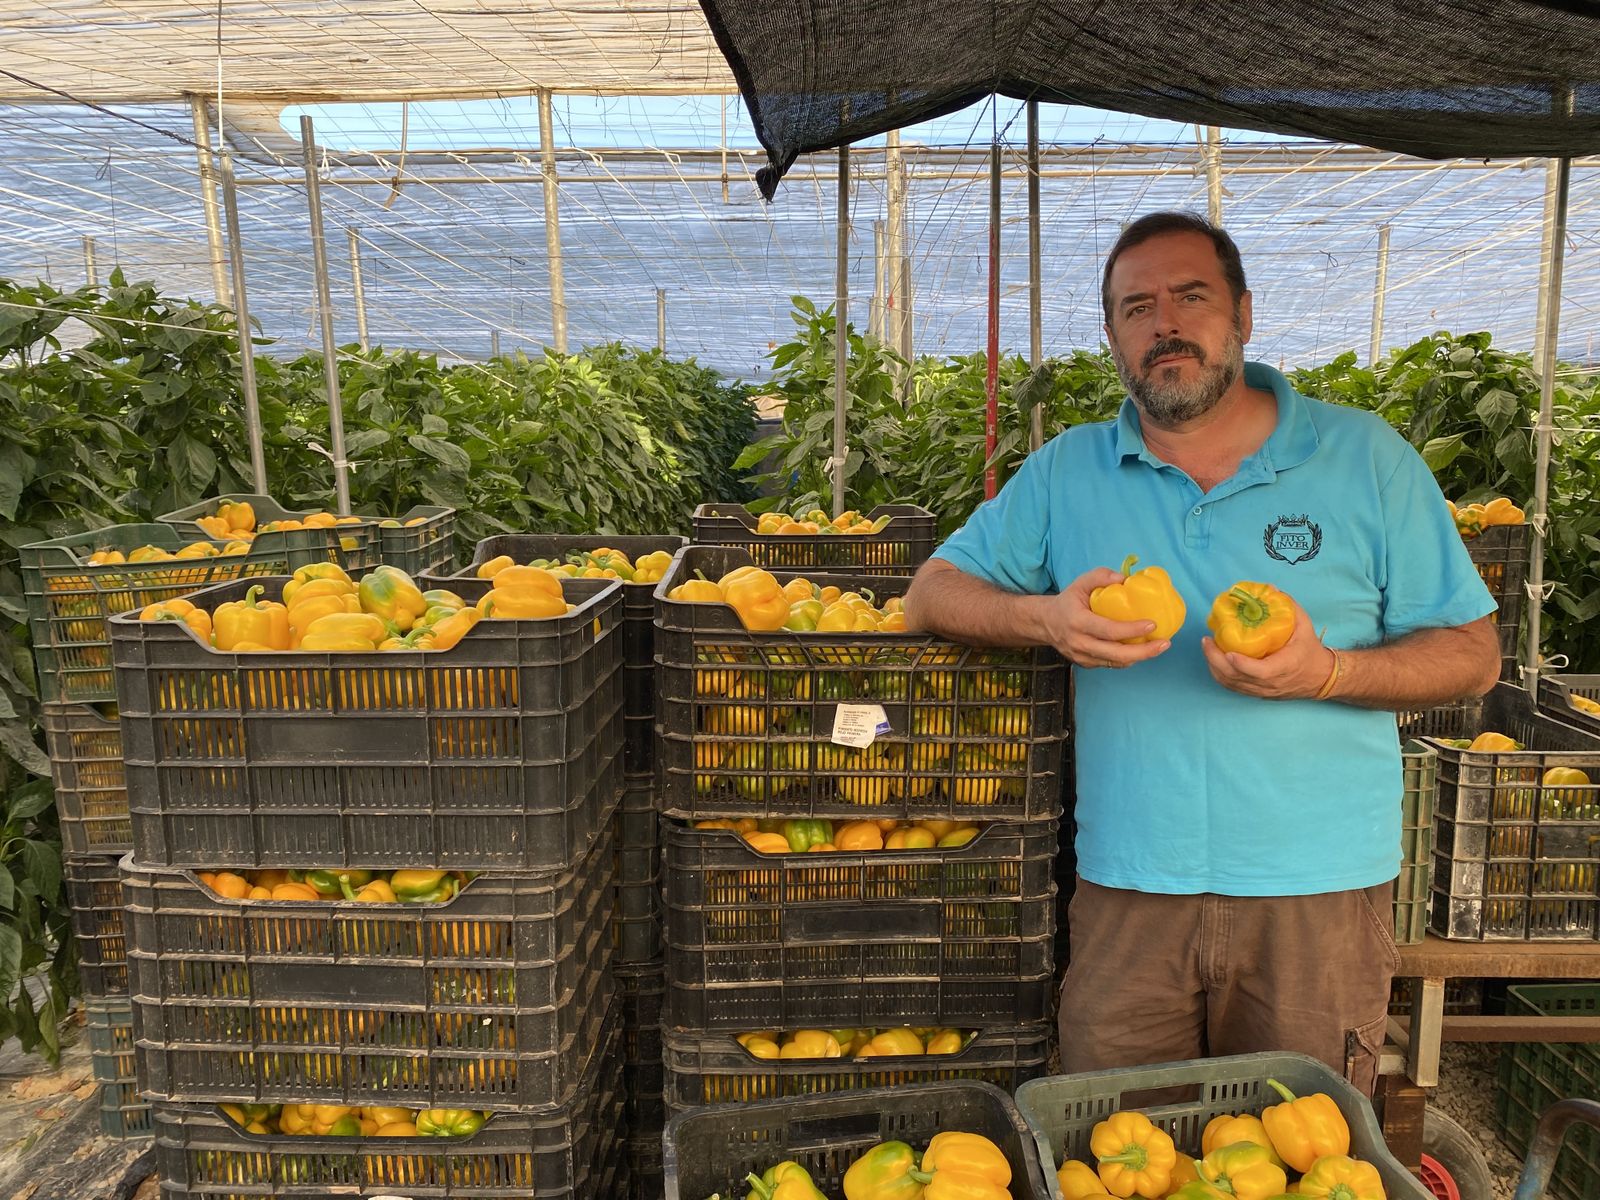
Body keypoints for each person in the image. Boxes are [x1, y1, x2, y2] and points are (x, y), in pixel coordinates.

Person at [902, 210, 1501, 1094]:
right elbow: (929, 591)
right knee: (1114, 1153)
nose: (1165, 325)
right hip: (1130, 885)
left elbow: (1473, 654)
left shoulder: (1365, 459)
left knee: (1301, 1160)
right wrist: (1048, 621)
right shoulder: (1069, 470)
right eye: (1136, 307)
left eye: (1191, 297)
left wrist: (1326, 671)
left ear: (1243, 315)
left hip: (1318, 891)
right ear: (1112, 335)